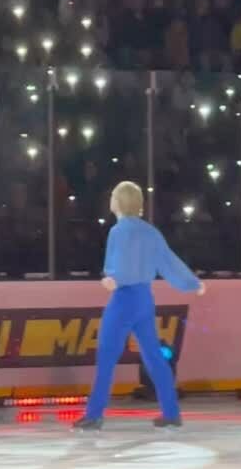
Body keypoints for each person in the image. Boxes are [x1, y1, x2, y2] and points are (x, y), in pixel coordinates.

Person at [74, 181, 205, 431]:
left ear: (120, 201)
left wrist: (114, 279)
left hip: (124, 298)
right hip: (144, 299)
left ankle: (94, 414)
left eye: (113, 195)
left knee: (107, 355)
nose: (110, 199)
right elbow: (169, 262)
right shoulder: (150, 232)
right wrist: (192, 283)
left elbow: (118, 266)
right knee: (154, 356)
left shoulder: (118, 231)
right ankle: (171, 412)